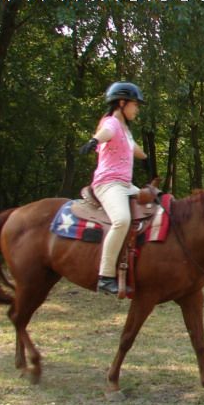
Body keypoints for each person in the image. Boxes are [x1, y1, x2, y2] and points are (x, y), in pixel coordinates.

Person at [79, 81, 147, 294]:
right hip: (108, 184)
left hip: (126, 185)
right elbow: (106, 133)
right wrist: (93, 141)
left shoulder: (126, 130)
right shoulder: (112, 123)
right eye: (135, 104)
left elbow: (135, 149)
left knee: (159, 204)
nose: (137, 109)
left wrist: (147, 157)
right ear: (121, 102)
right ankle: (105, 275)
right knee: (122, 220)